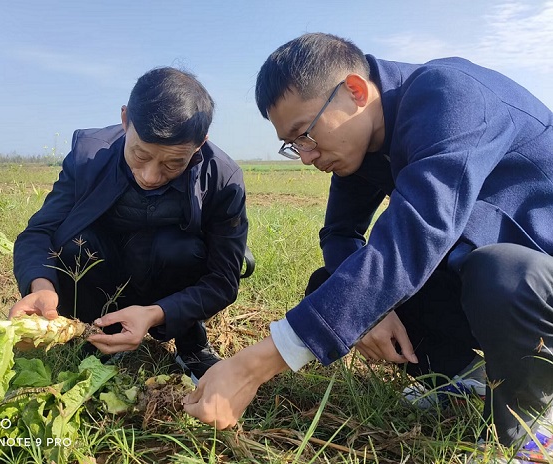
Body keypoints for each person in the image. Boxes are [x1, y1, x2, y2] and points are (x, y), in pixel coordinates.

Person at [183, 32, 553, 454]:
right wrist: (370, 312)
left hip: (535, 283)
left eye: (305, 133)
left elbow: (415, 235)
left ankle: (529, 435)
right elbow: (340, 234)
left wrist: (253, 365)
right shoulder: (363, 143)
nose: (305, 156)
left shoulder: (450, 98)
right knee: (335, 283)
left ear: (355, 91)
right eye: (293, 144)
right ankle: (465, 379)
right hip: (487, 285)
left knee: (504, 273)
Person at [10, 67, 249, 384]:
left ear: (200, 143)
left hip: (169, 272)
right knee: (76, 243)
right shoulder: (87, 157)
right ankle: (98, 332)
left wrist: (154, 313)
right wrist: (41, 286)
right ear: (125, 120)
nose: (150, 176)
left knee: (182, 250)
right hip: (107, 266)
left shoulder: (223, 179)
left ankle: (191, 345)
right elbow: (38, 232)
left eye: (173, 163)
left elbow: (223, 280)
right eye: (140, 154)